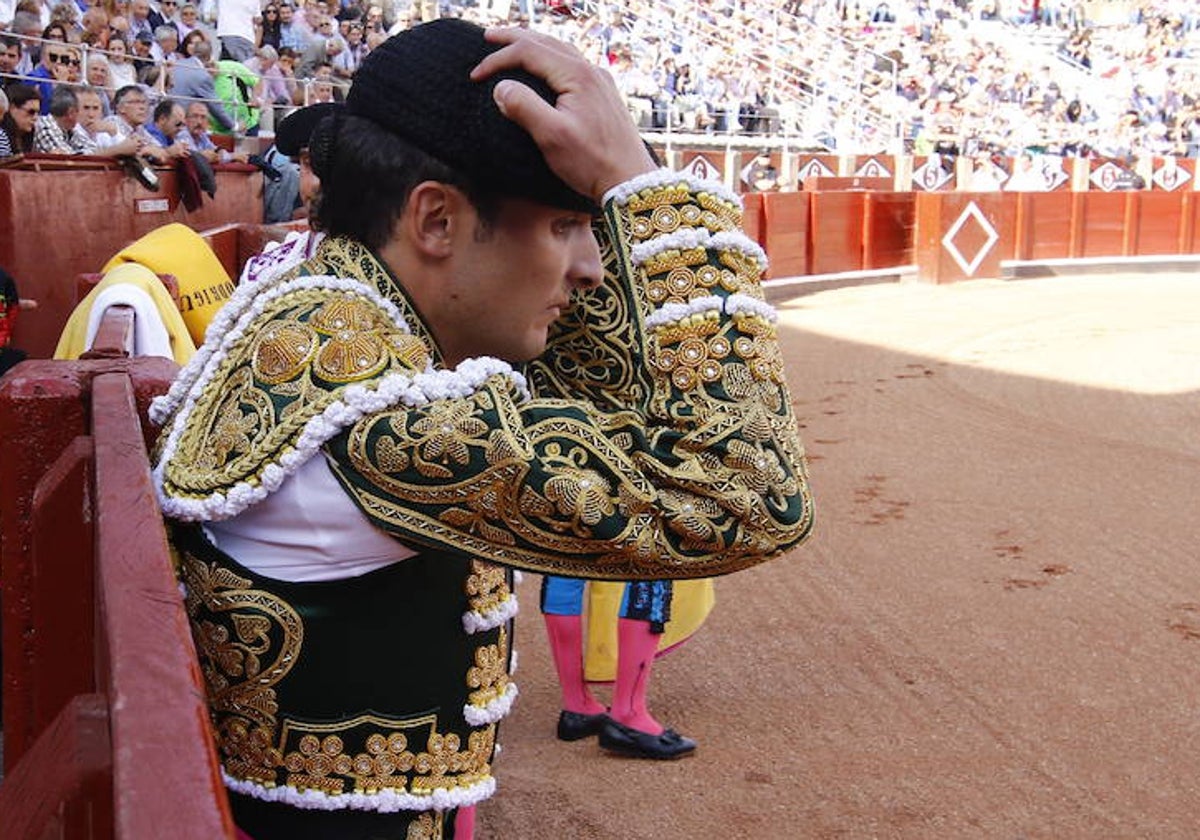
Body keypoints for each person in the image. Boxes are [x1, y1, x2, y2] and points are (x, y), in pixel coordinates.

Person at [150, 18, 812, 840]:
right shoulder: (386, 409)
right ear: (434, 222)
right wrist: (647, 190)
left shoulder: (326, 312)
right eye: (564, 226)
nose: (592, 265)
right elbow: (750, 497)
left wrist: (592, 197)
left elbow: (598, 391)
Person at [1, 84, 40, 154]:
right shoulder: (1, 137)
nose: (35, 118)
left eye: (38, 113)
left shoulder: (32, 138)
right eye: (31, 112)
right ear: (12, 108)